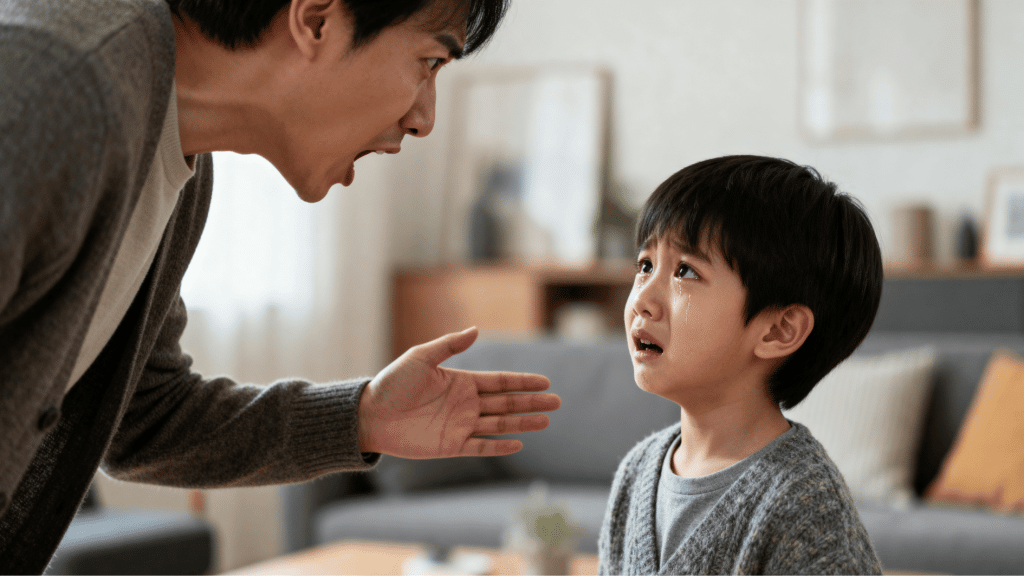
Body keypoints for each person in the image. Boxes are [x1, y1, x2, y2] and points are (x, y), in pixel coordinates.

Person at [0, 0, 562, 571]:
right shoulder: (54, 86)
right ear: (317, 20)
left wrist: (364, 417)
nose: (425, 119)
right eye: (430, 61)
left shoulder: (178, 165)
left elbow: (143, 419)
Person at [598, 155, 884, 574]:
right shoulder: (637, 471)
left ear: (778, 330)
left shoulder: (804, 507)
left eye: (685, 272)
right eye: (645, 265)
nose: (642, 299)